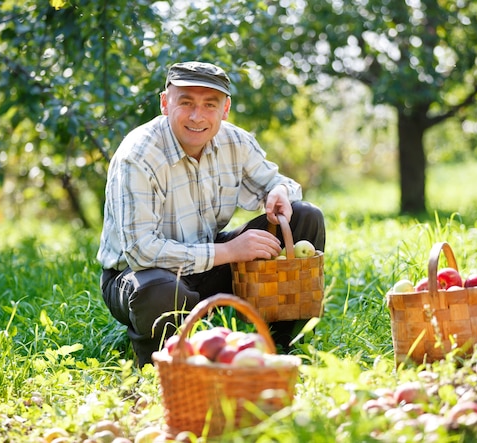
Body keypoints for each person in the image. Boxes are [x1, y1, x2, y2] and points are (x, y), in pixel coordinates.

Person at [97, 61, 326, 367]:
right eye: (186, 102)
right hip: (139, 276)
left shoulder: (235, 141)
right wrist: (230, 251)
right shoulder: (138, 157)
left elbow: (276, 181)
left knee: (304, 217)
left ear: (225, 109)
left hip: (209, 260)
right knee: (159, 290)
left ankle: (282, 344)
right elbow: (142, 251)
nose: (197, 116)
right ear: (165, 103)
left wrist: (279, 191)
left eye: (209, 105)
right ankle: (161, 363)